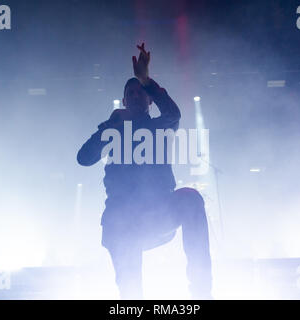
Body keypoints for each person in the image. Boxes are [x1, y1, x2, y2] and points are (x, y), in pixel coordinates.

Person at [77, 43, 212, 299]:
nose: (136, 96)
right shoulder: (114, 131)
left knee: (191, 199)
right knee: (130, 287)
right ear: (124, 101)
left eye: (141, 93)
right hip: (123, 219)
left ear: (149, 100)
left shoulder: (160, 126)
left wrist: (146, 80)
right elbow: (84, 158)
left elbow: (173, 113)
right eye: (131, 93)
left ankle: (202, 292)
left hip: (158, 212)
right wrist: (108, 126)